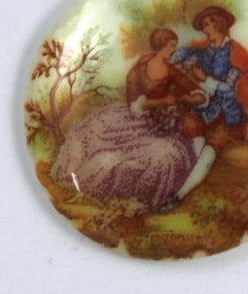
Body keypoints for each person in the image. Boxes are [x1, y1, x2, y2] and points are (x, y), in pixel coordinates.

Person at [51, 28, 206, 212]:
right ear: (161, 46)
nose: (173, 49)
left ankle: (144, 203)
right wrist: (163, 101)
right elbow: (135, 104)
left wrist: (194, 97)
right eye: (171, 46)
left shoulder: (171, 70)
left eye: (174, 46)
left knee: (165, 156)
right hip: (135, 119)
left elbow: (194, 89)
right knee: (100, 144)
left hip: (160, 122)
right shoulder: (138, 70)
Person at [173, 6, 248, 155]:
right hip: (207, 110)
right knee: (187, 126)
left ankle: (200, 165)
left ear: (218, 24)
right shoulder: (206, 49)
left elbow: (228, 90)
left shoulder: (237, 53)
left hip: (230, 114)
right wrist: (174, 57)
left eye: (207, 25)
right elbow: (184, 53)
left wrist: (204, 78)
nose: (204, 30)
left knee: (215, 143)